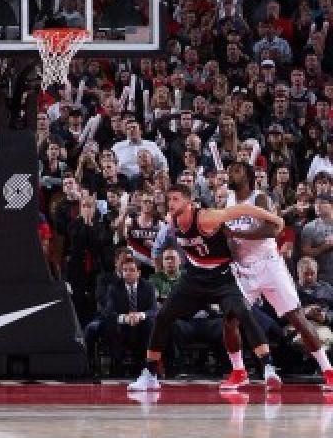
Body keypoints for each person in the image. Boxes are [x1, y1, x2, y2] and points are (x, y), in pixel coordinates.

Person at [128, 183, 283, 392]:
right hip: (194, 278)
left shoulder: (206, 218)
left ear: (188, 201)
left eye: (176, 199)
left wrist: (275, 219)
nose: (170, 203)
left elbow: (243, 209)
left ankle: (269, 368)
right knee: (163, 315)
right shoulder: (170, 221)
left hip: (222, 277)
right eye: (169, 199)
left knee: (243, 313)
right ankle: (150, 374)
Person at [224, 162, 333, 389]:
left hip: (270, 266)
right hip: (244, 269)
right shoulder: (229, 202)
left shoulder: (259, 198)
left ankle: (328, 370)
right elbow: (229, 238)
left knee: (297, 319)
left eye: (236, 170)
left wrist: (236, 232)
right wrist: (230, 244)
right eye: (229, 171)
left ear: (248, 177)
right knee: (230, 320)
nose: (230, 174)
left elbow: (272, 230)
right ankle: (238, 371)